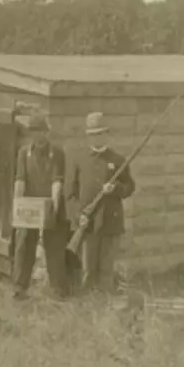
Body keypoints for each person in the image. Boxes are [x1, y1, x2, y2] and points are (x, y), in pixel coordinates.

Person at [65, 111, 136, 293]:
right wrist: (78, 216)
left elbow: (130, 187)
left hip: (110, 223)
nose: (97, 137)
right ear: (88, 136)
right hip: (88, 225)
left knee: (107, 270)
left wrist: (115, 190)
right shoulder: (79, 160)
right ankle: (88, 308)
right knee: (88, 270)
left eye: (101, 133)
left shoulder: (118, 160)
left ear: (106, 134)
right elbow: (70, 194)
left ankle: (105, 308)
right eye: (94, 134)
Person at [12, 115, 71, 300]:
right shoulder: (23, 153)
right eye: (34, 132)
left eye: (41, 132)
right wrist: (18, 204)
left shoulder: (57, 153)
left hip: (51, 205)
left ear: (47, 132)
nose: (38, 136)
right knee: (23, 244)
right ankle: (19, 287)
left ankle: (57, 290)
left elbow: (57, 181)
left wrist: (53, 205)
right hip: (30, 207)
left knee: (54, 246)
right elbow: (20, 179)